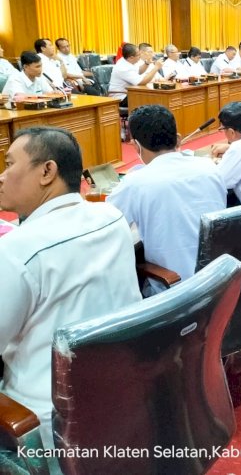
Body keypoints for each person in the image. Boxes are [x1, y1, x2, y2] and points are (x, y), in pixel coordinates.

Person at [0, 127, 142, 451]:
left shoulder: (17, 252)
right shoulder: (111, 216)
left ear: (47, 171)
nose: (2, 176)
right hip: (121, 395)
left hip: (42, 424)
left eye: (9, 164)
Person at [107, 105, 227, 297]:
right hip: (219, 281)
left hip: (173, 292)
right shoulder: (210, 168)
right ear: (178, 139)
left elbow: (107, 226)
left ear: (136, 146)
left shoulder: (135, 183)